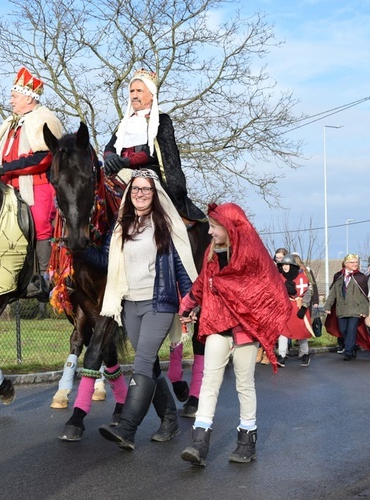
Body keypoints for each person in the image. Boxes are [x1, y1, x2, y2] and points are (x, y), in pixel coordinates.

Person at [86, 169, 198, 450]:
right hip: (128, 304)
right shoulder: (121, 225)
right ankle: (170, 420)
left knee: (142, 363)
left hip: (159, 303)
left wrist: (190, 300)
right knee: (149, 367)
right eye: (136, 188)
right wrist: (79, 249)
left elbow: (181, 266)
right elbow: (105, 259)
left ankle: (127, 428)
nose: (140, 193)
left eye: (146, 189)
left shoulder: (166, 224)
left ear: (155, 193)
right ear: (129, 192)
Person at [178, 203, 288, 467]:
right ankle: (199, 443)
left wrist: (260, 322)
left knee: (244, 385)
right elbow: (203, 282)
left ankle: (246, 440)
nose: (210, 232)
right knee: (209, 382)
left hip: (244, 331)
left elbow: (266, 289)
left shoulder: (253, 256)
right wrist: (188, 303)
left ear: (229, 227)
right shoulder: (211, 255)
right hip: (217, 325)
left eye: (214, 227)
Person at [0, 67, 64, 296]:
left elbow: (45, 156)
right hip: (7, 186)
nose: (10, 101)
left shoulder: (44, 118)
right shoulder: (11, 123)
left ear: (28, 98)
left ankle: (45, 278)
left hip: (36, 185)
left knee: (39, 225)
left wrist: (6, 168)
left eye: (14, 96)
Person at [102, 69, 204, 221]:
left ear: (151, 94)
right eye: (131, 91)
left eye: (139, 91)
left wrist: (128, 161)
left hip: (149, 172)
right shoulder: (124, 123)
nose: (134, 95)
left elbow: (154, 152)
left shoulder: (161, 121)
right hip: (119, 171)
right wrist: (110, 157)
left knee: (162, 206)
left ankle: (175, 237)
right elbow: (110, 146)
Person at [324, 254, 370, 360]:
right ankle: (352, 346)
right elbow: (333, 293)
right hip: (342, 309)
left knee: (352, 330)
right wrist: (328, 306)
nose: (355, 264)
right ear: (346, 264)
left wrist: (365, 310)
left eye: (356, 262)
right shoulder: (338, 276)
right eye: (352, 262)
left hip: (355, 309)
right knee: (343, 330)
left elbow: (365, 295)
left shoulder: (361, 277)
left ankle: (348, 352)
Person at [276, 254, 314, 367]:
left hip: (299, 307)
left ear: (292, 265)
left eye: (287, 264)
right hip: (285, 307)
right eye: (283, 265)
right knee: (283, 332)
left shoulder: (302, 277)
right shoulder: (279, 277)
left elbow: (308, 292)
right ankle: (281, 356)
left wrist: (304, 307)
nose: (285, 267)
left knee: (301, 332)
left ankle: (305, 354)